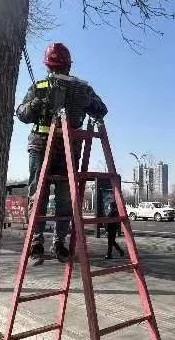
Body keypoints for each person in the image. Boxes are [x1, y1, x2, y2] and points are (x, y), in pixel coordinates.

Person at [16, 42, 108, 264]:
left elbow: (101, 110)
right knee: (42, 195)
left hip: (67, 147)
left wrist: (86, 101)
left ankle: (57, 243)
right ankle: (37, 243)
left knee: (59, 197)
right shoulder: (39, 87)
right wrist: (36, 104)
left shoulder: (80, 88)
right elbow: (21, 113)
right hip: (43, 146)